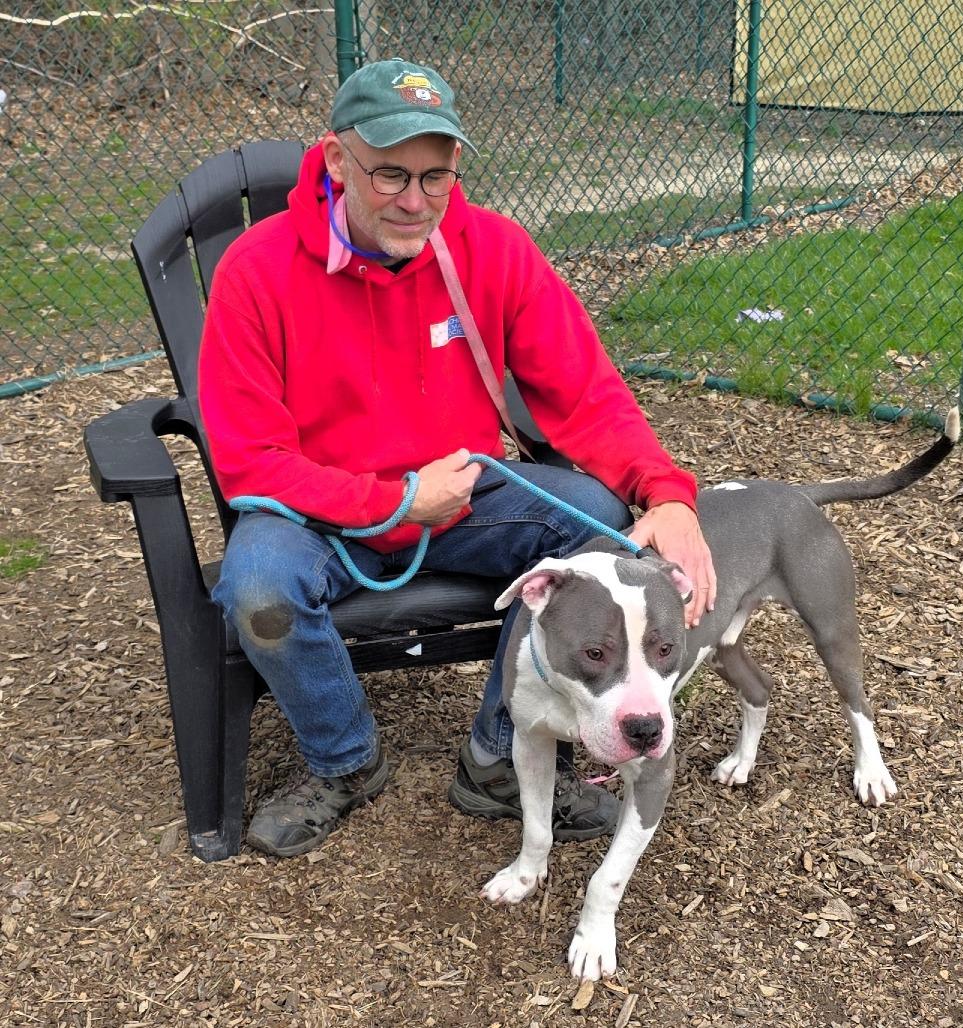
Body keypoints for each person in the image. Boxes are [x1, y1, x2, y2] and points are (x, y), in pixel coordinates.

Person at [198, 58, 716, 858]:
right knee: (260, 590)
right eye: (391, 175)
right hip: (314, 512)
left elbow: (585, 392)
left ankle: (498, 758)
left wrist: (667, 494)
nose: (415, 200)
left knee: (603, 533)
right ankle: (344, 760)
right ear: (337, 160)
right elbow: (248, 461)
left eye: (435, 177)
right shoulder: (256, 272)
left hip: (462, 496)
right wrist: (396, 502)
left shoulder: (493, 249)